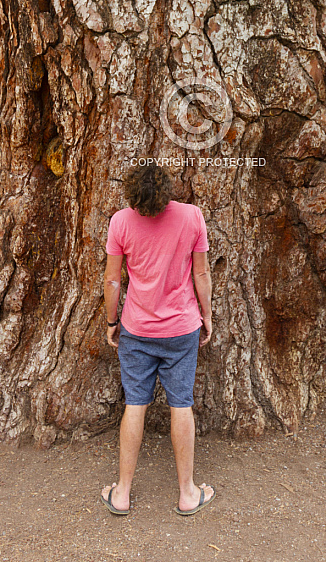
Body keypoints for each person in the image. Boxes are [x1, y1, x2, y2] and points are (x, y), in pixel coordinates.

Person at [102, 164, 215, 517]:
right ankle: (187, 494)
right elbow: (201, 272)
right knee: (181, 404)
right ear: (167, 190)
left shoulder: (120, 221)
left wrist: (111, 321)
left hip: (136, 329)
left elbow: (112, 281)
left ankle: (121, 494)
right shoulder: (192, 216)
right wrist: (207, 315)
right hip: (182, 329)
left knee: (135, 404)